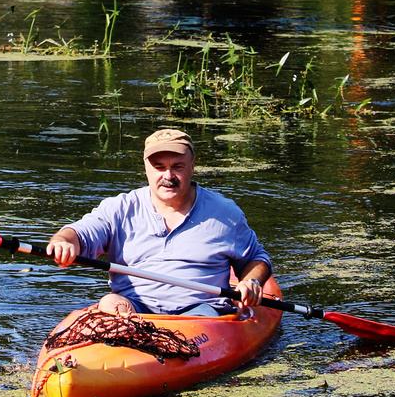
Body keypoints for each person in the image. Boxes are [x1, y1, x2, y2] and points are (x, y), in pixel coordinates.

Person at [45, 128, 272, 317]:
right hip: (133, 308)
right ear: (146, 168)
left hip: (201, 312)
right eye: (160, 167)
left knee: (201, 317)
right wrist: (65, 241)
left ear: (192, 166)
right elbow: (80, 234)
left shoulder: (225, 213)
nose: (168, 176)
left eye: (178, 166)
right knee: (109, 302)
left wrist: (251, 282)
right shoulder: (120, 208)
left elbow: (255, 258)